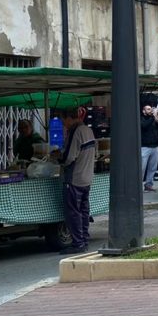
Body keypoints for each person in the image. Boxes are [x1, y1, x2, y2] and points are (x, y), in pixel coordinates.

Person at [55, 107, 96, 254]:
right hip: (87, 178)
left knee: (73, 212)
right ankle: (84, 239)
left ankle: (78, 243)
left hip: (75, 178)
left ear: (69, 118)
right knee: (84, 211)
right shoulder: (88, 130)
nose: (63, 124)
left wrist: (57, 158)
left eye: (63, 121)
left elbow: (68, 158)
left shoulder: (75, 131)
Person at [139, 97, 158, 191]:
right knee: (142, 168)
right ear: (143, 111)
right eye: (148, 109)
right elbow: (144, 126)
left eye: (151, 109)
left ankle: (148, 185)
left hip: (155, 147)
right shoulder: (142, 119)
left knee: (153, 168)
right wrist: (152, 117)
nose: (150, 110)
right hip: (144, 147)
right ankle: (138, 186)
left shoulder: (154, 119)